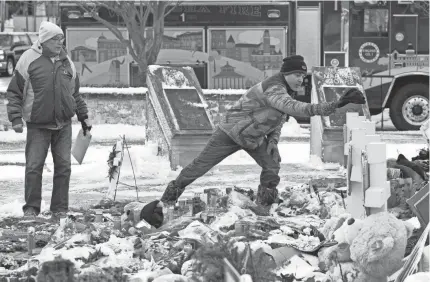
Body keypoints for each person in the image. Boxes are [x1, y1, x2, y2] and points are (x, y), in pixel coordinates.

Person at [140, 55, 366, 228]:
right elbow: (292, 108)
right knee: (200, 166)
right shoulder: (274, 88)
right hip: (230, 133)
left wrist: (273, 142)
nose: (301, 79)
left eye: (303, 76)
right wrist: (332, 106)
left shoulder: (288, 90)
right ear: (286, 73)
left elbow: (279, 119)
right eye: (297, 74)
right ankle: (166, 201)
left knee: (272, 165)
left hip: (254, 137)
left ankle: (263, 208)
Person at [6, 21, 92, 219]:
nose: (60, 42)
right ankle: (31, 208)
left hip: (63, 125)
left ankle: (60, 208)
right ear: (44, 41)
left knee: (64, 168)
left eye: (61, 39)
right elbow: (15, 92)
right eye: (55, 39)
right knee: (34, 167)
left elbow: (75, 94)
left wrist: (84, 117)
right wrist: (16, 118)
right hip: (38, 125)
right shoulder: (28, 59)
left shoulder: (67, 62)